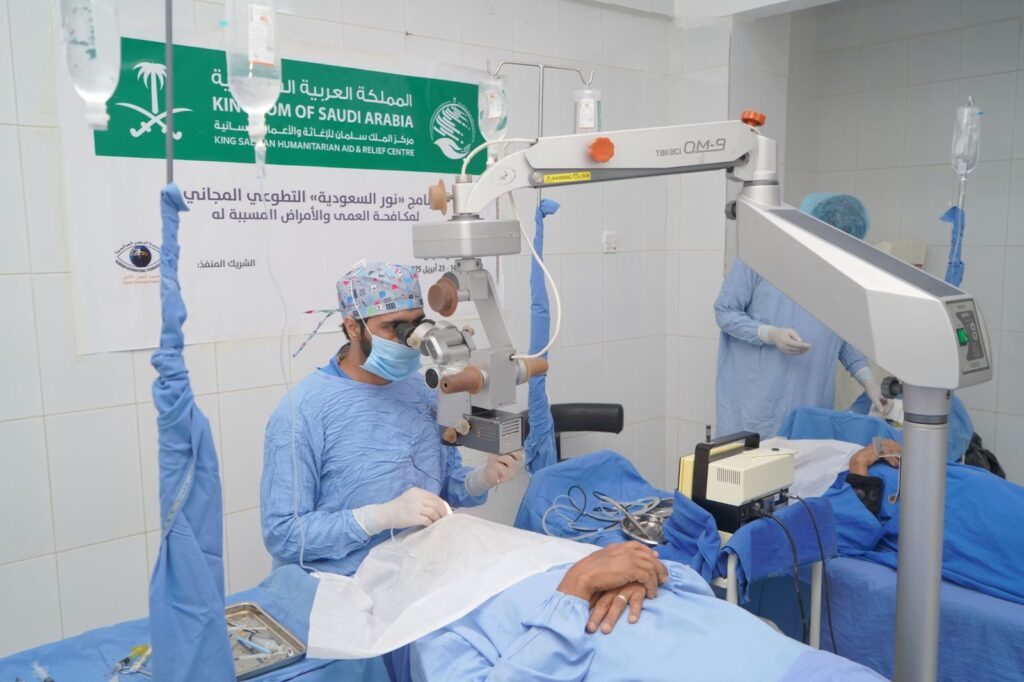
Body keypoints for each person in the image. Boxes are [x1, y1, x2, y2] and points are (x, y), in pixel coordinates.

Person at [260, 261, 523, 575]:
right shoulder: (301, 412)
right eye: (394, 327)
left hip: (416, 569)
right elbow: (284, 535)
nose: (409, 340)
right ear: (353, 327)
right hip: (340, 583)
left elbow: (441, 490)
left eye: (415, 325)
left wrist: (483, 478)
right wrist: (377, 518)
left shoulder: (422, 391)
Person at [410, 541, 883, 681]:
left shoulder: (545, 554)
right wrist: (573, 591)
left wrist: (649, 574)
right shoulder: (436, 625)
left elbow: (690, 584)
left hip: (787, 662)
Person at [714, 192, 889, 439]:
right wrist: (769, 334)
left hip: (811, 404)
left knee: (805, 461)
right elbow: (724, 311)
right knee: (752, 461)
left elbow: (840, 335)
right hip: (756, 404)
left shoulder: (839, 276)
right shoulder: (760, 258)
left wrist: (868, 381)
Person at [826, 439, 1024, 605]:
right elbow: (848, 533)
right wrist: (859, 465)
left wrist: (886, 448)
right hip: (956, 514)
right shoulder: (823, 493)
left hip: (968, 488)